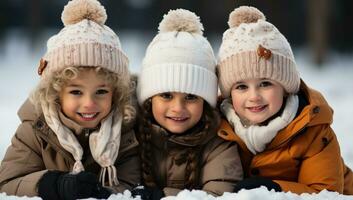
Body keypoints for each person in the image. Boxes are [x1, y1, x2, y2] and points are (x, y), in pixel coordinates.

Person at [0, 0, 140, 199]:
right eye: (76, 92)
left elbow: (129, 184)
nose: (89, 103)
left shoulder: (123, 133)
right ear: (55, 93)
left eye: (101, 92)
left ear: (116, 93)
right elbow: (7, 182)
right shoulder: (35, 130)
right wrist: (54, 184)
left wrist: (101, 193)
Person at [216, 6, 353, 194]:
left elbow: (326, 192)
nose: (254, 96)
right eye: (241, 87)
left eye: (265, 83)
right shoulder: (217, 127)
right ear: (229, 94)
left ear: (286, 88)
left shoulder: (313, 129)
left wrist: (273, 189)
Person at [131, 9, 243, 200]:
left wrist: (162, 196)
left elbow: (220, 194)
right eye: (166, 95)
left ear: (205, 102)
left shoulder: (218, 143)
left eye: (191, 97)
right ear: (149, 98)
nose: (178, 108)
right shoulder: (131, 136)